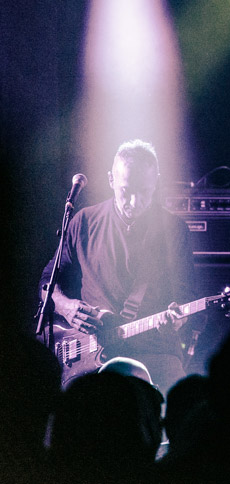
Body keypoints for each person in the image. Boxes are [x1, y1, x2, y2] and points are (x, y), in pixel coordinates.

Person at [39, 139, 197, 391]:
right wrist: (66, 307)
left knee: (178, 400)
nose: (134, 201)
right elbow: (49, 281)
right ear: (111, 180)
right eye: (126, 190)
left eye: (144, 191)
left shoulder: (173, 230)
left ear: (155, 181)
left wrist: (177, 319)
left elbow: (186, 293)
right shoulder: (84, 222)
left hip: (152, 348)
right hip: (88, 350)